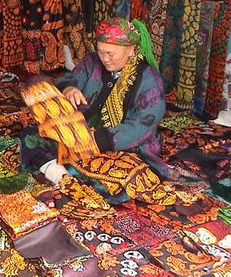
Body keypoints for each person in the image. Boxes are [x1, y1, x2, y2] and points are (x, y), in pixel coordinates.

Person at [21, 17, 167, 198]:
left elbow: (141, 126)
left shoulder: (149, 80)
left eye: (111, 54)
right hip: (82, 131)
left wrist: (95, 141)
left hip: (123, 145)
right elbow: (71, 78)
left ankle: (61, 173)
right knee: (33, 135)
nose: (105, 59)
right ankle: (63, 177)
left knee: (122, 180)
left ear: (131, 50)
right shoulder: (91, 61)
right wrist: (69, 88)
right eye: (100, 52)